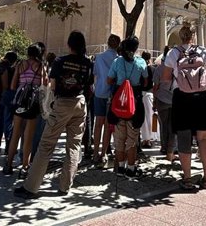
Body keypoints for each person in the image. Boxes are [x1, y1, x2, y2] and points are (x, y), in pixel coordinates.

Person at [14, 31, 93, 199]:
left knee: (46, 144)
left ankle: (31, 186)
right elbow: (89, 86)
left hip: (62, 103)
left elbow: (53, 85)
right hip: (80, 103)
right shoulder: (87, 63)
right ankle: (65, 186)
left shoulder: (60, 61)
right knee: (74, 146)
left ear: (69, 44)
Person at [162, 25, 206, 190]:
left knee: (184, 138)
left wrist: (175, 84)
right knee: (204, 138)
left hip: (181, 98)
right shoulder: (203, 51)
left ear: (180, 37)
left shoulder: (173, 53)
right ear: (193, 36)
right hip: (201, 98)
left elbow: (165, 78)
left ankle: (187, 178)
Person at [107, 36, 148, 177]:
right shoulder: (141, 62)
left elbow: (109, 79)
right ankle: (131, 169)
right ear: (136, 48)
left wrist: (121, 81)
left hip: (119, 103)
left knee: (119, 138)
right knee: (132, 139)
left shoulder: (117, 61)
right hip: (134, 104)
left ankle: (121, 167)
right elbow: (146, 81)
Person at [4, 44, 47, 175]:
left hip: (20, 100)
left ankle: (9, 164)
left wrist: (22, 85)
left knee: (15, 134)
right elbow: (45, 85)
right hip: (33, 103)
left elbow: (12, 85)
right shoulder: (41, 66)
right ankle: (25, 167)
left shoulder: (20, 64)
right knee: (29, 137)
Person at [91, 34, 120, 167]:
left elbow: (95, 74)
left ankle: (95, 153)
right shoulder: (119, 60)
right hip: (113, 96)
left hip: (99, 93)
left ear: (107, 43)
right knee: (109, 126)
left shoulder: (99, 57)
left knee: (98, 124)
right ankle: (103, 154)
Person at [0, 51, 18, 155]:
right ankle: (9, 147)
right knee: (8, 122)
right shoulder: (7, 68)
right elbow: (6, 85)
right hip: (7, 95)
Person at [152, 48, 176, 161]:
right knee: (172, 127)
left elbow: (155, 87)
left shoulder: (159, 69)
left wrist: (155, 100)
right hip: (174, 100)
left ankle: (164, 147)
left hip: (161, 100)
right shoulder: (176, 68)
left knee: (163, 125)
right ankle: (171, 149)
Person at [139, 51, 158, 149]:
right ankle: (150, 139)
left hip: (142, 94)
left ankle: (145, 139)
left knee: (143, 119)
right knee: (150, 117)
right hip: (150, 95)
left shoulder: (141, 68)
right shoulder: (153, 69)